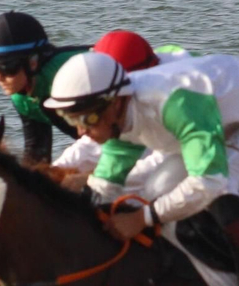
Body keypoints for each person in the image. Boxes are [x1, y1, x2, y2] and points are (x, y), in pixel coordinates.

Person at [42, 51, 239, 286]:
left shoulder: (173, 102)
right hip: (220, 118)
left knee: (220, 186)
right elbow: (104, 187)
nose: (80, 132)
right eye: (69, 119)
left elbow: (208, 183)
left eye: (86, 120)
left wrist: (141, 218)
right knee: (154, 188)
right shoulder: (120, 117)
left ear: (114, 103)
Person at [50, 29, 188, 177]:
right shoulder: (127, 85)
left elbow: (159, 157)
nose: (80, 130)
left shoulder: (171, 97)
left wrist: (89, 180)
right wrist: (54, 171)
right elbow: (90, 146)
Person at [0, 10, 87, 164]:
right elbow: (37, 152)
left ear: (33, 62)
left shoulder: (65, 76)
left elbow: (101, 140)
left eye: (7, 68)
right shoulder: (20, 95)